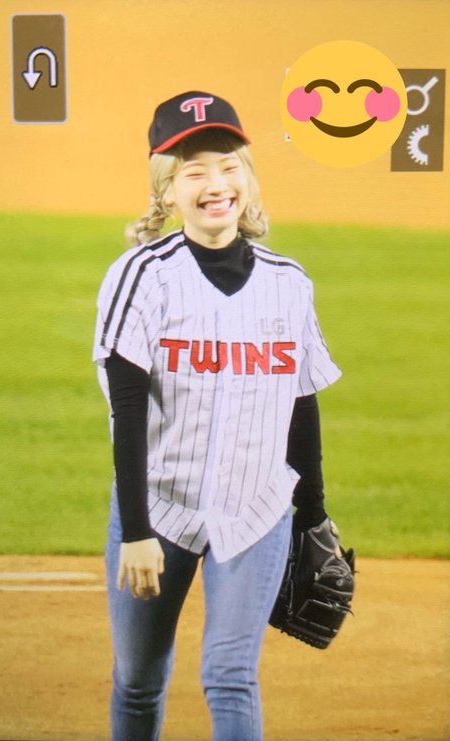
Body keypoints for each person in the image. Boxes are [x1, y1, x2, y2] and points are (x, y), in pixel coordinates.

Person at [92, 90, 342, 741]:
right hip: (160, 510)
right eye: (194, 171)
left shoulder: (289, 283)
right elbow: (126, 409)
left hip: (257, 510)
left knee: (231, 674)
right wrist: (137, 530)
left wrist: (313, 516)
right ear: (167, 190)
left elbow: (302, 403)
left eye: (228, 166)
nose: (215, 184)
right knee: (138, 678)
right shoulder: (141, 276)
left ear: (247, 178)